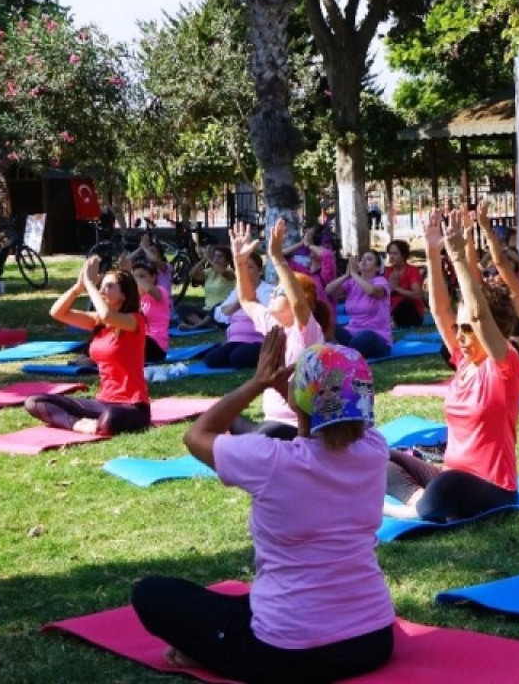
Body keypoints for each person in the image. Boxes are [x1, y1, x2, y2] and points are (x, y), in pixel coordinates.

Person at [132, 333, 393, 683]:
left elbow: (197, 435)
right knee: (240, 605)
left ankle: (203, 653)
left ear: (297, 400)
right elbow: (324, 419)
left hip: (287, 653)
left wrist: (258, 383)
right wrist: (295, 392)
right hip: (373, 640)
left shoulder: (271, 461)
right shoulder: (374, 450)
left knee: (150, 592)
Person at [385, 208, 519, 522]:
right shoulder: (463, 360)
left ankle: (414, 509)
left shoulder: (504, 365)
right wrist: (433, 252)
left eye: (467, 329)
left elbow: (479, 315)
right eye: (458, 328)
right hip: (450, 476)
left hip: (493, 488)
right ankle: (422, 503)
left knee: (448, 485)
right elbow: (439, 309)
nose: (459, 335)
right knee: (379, 456)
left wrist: (459, 257)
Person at [23, 256, 150, 436]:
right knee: (35, 402)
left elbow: (106, 315)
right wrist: (79, 286)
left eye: (109, 286)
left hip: (133, 405)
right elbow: (57, 312)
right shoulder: (98, 321)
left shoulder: (135, 320)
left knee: (110, 419)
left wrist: (90, 284)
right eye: (101, 286)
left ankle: (96, 424)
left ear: (123, 295)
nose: (102, 290)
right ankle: (77, 425)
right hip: (103, 402)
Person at [228, 219, 330, 439]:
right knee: (227, 419)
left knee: (256, 439)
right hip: (272, 422)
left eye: (280, 292)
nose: (273, 294)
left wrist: (277, 258)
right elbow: (247, 299)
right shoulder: (273, 324)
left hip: (298, 426)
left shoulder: (308, 332)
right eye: (274, 291)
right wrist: (240, 262)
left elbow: (299, 304)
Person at [470, 202, 519, 380]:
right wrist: (466, 234)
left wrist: (485, 228)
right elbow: (473, 270)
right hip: (495, 367)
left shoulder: (516, 295)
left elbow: (499, 262)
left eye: (495, 274)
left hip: (517, 368)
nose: (491, 277)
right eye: (488, 274)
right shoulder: (488, 295)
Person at [204, 249, 274, 370]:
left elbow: (271, 318)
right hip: (236, 339)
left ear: (260, 270)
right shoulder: (237, 291)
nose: (246, 271)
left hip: (258, 340)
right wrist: (238, 303)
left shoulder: (268, 291)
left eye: (250, 267)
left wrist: (250, 302)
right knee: (211, 360)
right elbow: (219, 314)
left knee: (238, 358)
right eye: (242, 268)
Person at [327, 250, 392, 359]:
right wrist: (347, 275)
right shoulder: (352, 283)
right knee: (330, 326)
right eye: (362, 259)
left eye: (369, 259)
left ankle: (344, 352)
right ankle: (348, 352)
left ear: (377, 268)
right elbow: (329, 291)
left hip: (376, 337)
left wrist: (354, 274)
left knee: (365, 336)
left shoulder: (381, 281)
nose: (364, 261)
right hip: (352, 334)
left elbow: (371, 291)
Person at [177, 245, 236, 329]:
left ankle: (196, 326)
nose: (216, 259)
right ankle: (207, 325)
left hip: (220, 310)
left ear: (227, 261)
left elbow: (223, 272)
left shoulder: (230, 272)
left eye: (220, 257)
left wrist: (209, 260)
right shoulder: (210, 272)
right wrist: (204, 259)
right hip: (207, 310)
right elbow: (192, 274)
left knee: (217, 306)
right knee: (182, 307)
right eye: (215, 256)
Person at [129, 259, 170, 364]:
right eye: (135, 277)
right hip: (140, 341)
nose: (138, 280)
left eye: (142, 276)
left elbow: (149, 289)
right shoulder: (136, 298)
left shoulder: (160, 291)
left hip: (156, 346)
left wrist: (131, 276)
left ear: (153, 278)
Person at [384, 239, 425, 328]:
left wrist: (396, 288)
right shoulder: (387, 271)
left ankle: (393, 322)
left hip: (410, 312)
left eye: (395, 254)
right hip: (391, 310)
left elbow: (418, 295)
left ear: (404, 255)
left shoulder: (412, 271)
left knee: (405, 303)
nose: (391, 257)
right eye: (390, 254)